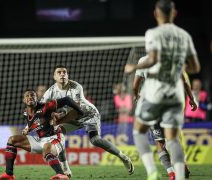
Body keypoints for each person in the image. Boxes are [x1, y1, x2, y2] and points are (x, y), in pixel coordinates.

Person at [124, 0, 201, 179]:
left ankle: (153, 172)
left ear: (155, 14)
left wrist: (133, 68)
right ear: (174, 13)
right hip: (176, 98)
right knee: (173, 139)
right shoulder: (184, 35)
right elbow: (194, 68)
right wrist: (191, 97)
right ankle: (179, 173)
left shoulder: (152, 34)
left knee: (139, 132)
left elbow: (151, 61)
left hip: (154, 97)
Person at [41, 65, 134, 177]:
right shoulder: (50, 91)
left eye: (64, 72)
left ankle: (123, 157)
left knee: (95, 140)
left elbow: (76, 110)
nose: (62, 74)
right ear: (54, 77)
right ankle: (66, 169)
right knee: (58, 133)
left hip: (89, 115)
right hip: (72, 117)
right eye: (59, 72)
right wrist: (50, 115)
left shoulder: (75, 87)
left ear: (67, 75)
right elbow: (42, 108)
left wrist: (59, 119)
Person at [0, 89, 84, 180]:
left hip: (55, 138)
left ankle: (61, 174)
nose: (30, 97)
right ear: (24, 100)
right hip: (40, 140)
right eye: (27, 96)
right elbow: (34, 121)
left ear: (37, 98)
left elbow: (67, 100)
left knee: (47, 148)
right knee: (12, 140)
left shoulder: (46, 107)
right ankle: (9, 174)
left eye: (32, 95)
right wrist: (26, 129)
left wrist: (80, 111)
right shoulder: (25, 113)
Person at [133, 56, 197, 179]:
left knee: (159, 141)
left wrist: (136, 95)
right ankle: (181, 163)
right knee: (173, 139)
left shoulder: (143, 61)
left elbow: (135, 86)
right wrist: (192, 99)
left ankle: (171, 172)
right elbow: (184, 82)